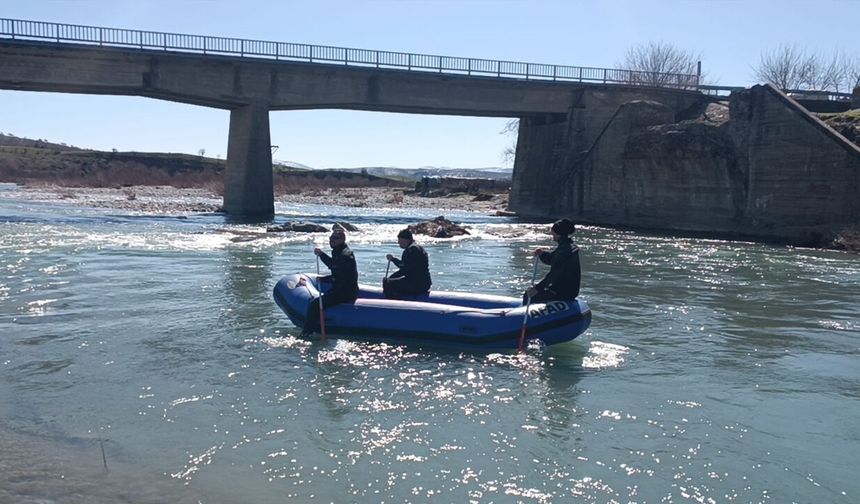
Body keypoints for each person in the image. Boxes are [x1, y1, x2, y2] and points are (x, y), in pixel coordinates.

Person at [301, 228, 358, 336]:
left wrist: (327, 279)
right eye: (330, 238)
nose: (331, 241)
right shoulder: (337, 251)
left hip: (346, 291)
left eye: (335, 239)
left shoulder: (346, 254)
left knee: (314, 305)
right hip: (341, 288)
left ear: (342, 239)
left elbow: (341, 275)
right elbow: (333, 265)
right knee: (320, 301)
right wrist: (322, 255)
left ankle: (306, 334)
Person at [524, 218, 581, 304]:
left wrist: (537, 288)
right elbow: (552, 259)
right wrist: (542, 254)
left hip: (562, 292)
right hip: (569, 290)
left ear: (558, 233)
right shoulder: (568, 246)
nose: (551, 233)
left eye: (553, 231)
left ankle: (526, 315)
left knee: (528, 295)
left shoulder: (565, 250)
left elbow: (554, 273)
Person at [383, 228, 432, 298]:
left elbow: (405, 269)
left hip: (417, 285)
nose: (398, 243)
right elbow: (405, 267)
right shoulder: (417, 248)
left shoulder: (411, 250)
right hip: (425, 283)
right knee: (389, 280)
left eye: (400, 240)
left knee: (387, 283)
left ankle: (392, 304)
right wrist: (393, 260)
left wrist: (389, 279)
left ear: (406, 240)